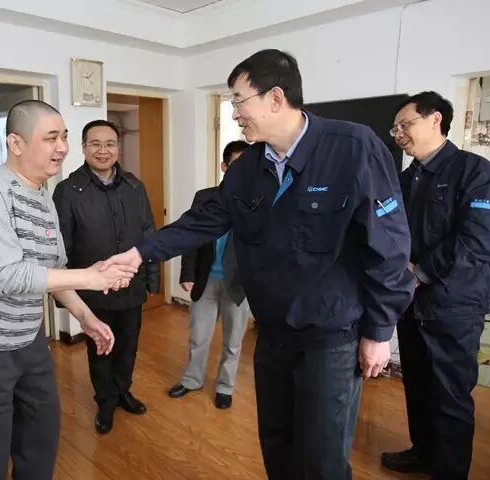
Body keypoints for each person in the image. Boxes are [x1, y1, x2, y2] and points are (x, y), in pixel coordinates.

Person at [104, 49, 415, 479]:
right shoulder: (247, 168)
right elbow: (203, 220)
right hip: (272, 332)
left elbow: (390, 247)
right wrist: (141, 252)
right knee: (277, 444)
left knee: (322, 458)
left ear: (275, 98)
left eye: (238, 100)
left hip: (330, 335)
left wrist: (379, 331)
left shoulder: (354, 148)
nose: (235, 113)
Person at [0, 100, 136, 480]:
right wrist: (91, 277)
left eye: (65, 137)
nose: (62, 147)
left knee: (40, 439)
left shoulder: (43, 197)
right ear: (16, 143)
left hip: (27, 340)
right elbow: (3, 276)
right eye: (51, 138)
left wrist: (86, 317)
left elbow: (53, 271)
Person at [381, 91, 490, 479]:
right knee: (418, 384)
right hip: (411, 302)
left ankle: (449, 471)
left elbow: (480, 240)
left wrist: (419, 272)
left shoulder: (478, 174)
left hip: (455, 305)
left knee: (450, 394)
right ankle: (423, 453)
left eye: (405, 124)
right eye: (395, 128)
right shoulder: (405, 180)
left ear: (435, 119)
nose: (398, 134)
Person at [53, 119, 160, 434]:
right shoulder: (68, 191)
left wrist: (152, 280)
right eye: (95, 144)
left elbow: (148, 233)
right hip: (92, 292)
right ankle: (106, 400)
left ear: (118, 147)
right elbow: (62, 248)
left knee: (128, 345)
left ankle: (123, 390)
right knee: (100, 347)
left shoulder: (134, 186)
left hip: (131, 286)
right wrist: (67, 292)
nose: (103, 150)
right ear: (84, 147)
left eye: (110, 143)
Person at [168, 140, 249, 409]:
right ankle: (192, 380)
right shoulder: (205, 197)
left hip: (238, 283)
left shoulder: (258, 201)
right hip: (205, 279)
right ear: (224, 166)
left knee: (233, 341)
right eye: (236, 165)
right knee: (198, 337)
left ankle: (225, 386)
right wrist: (186, 272)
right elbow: (192, 236)